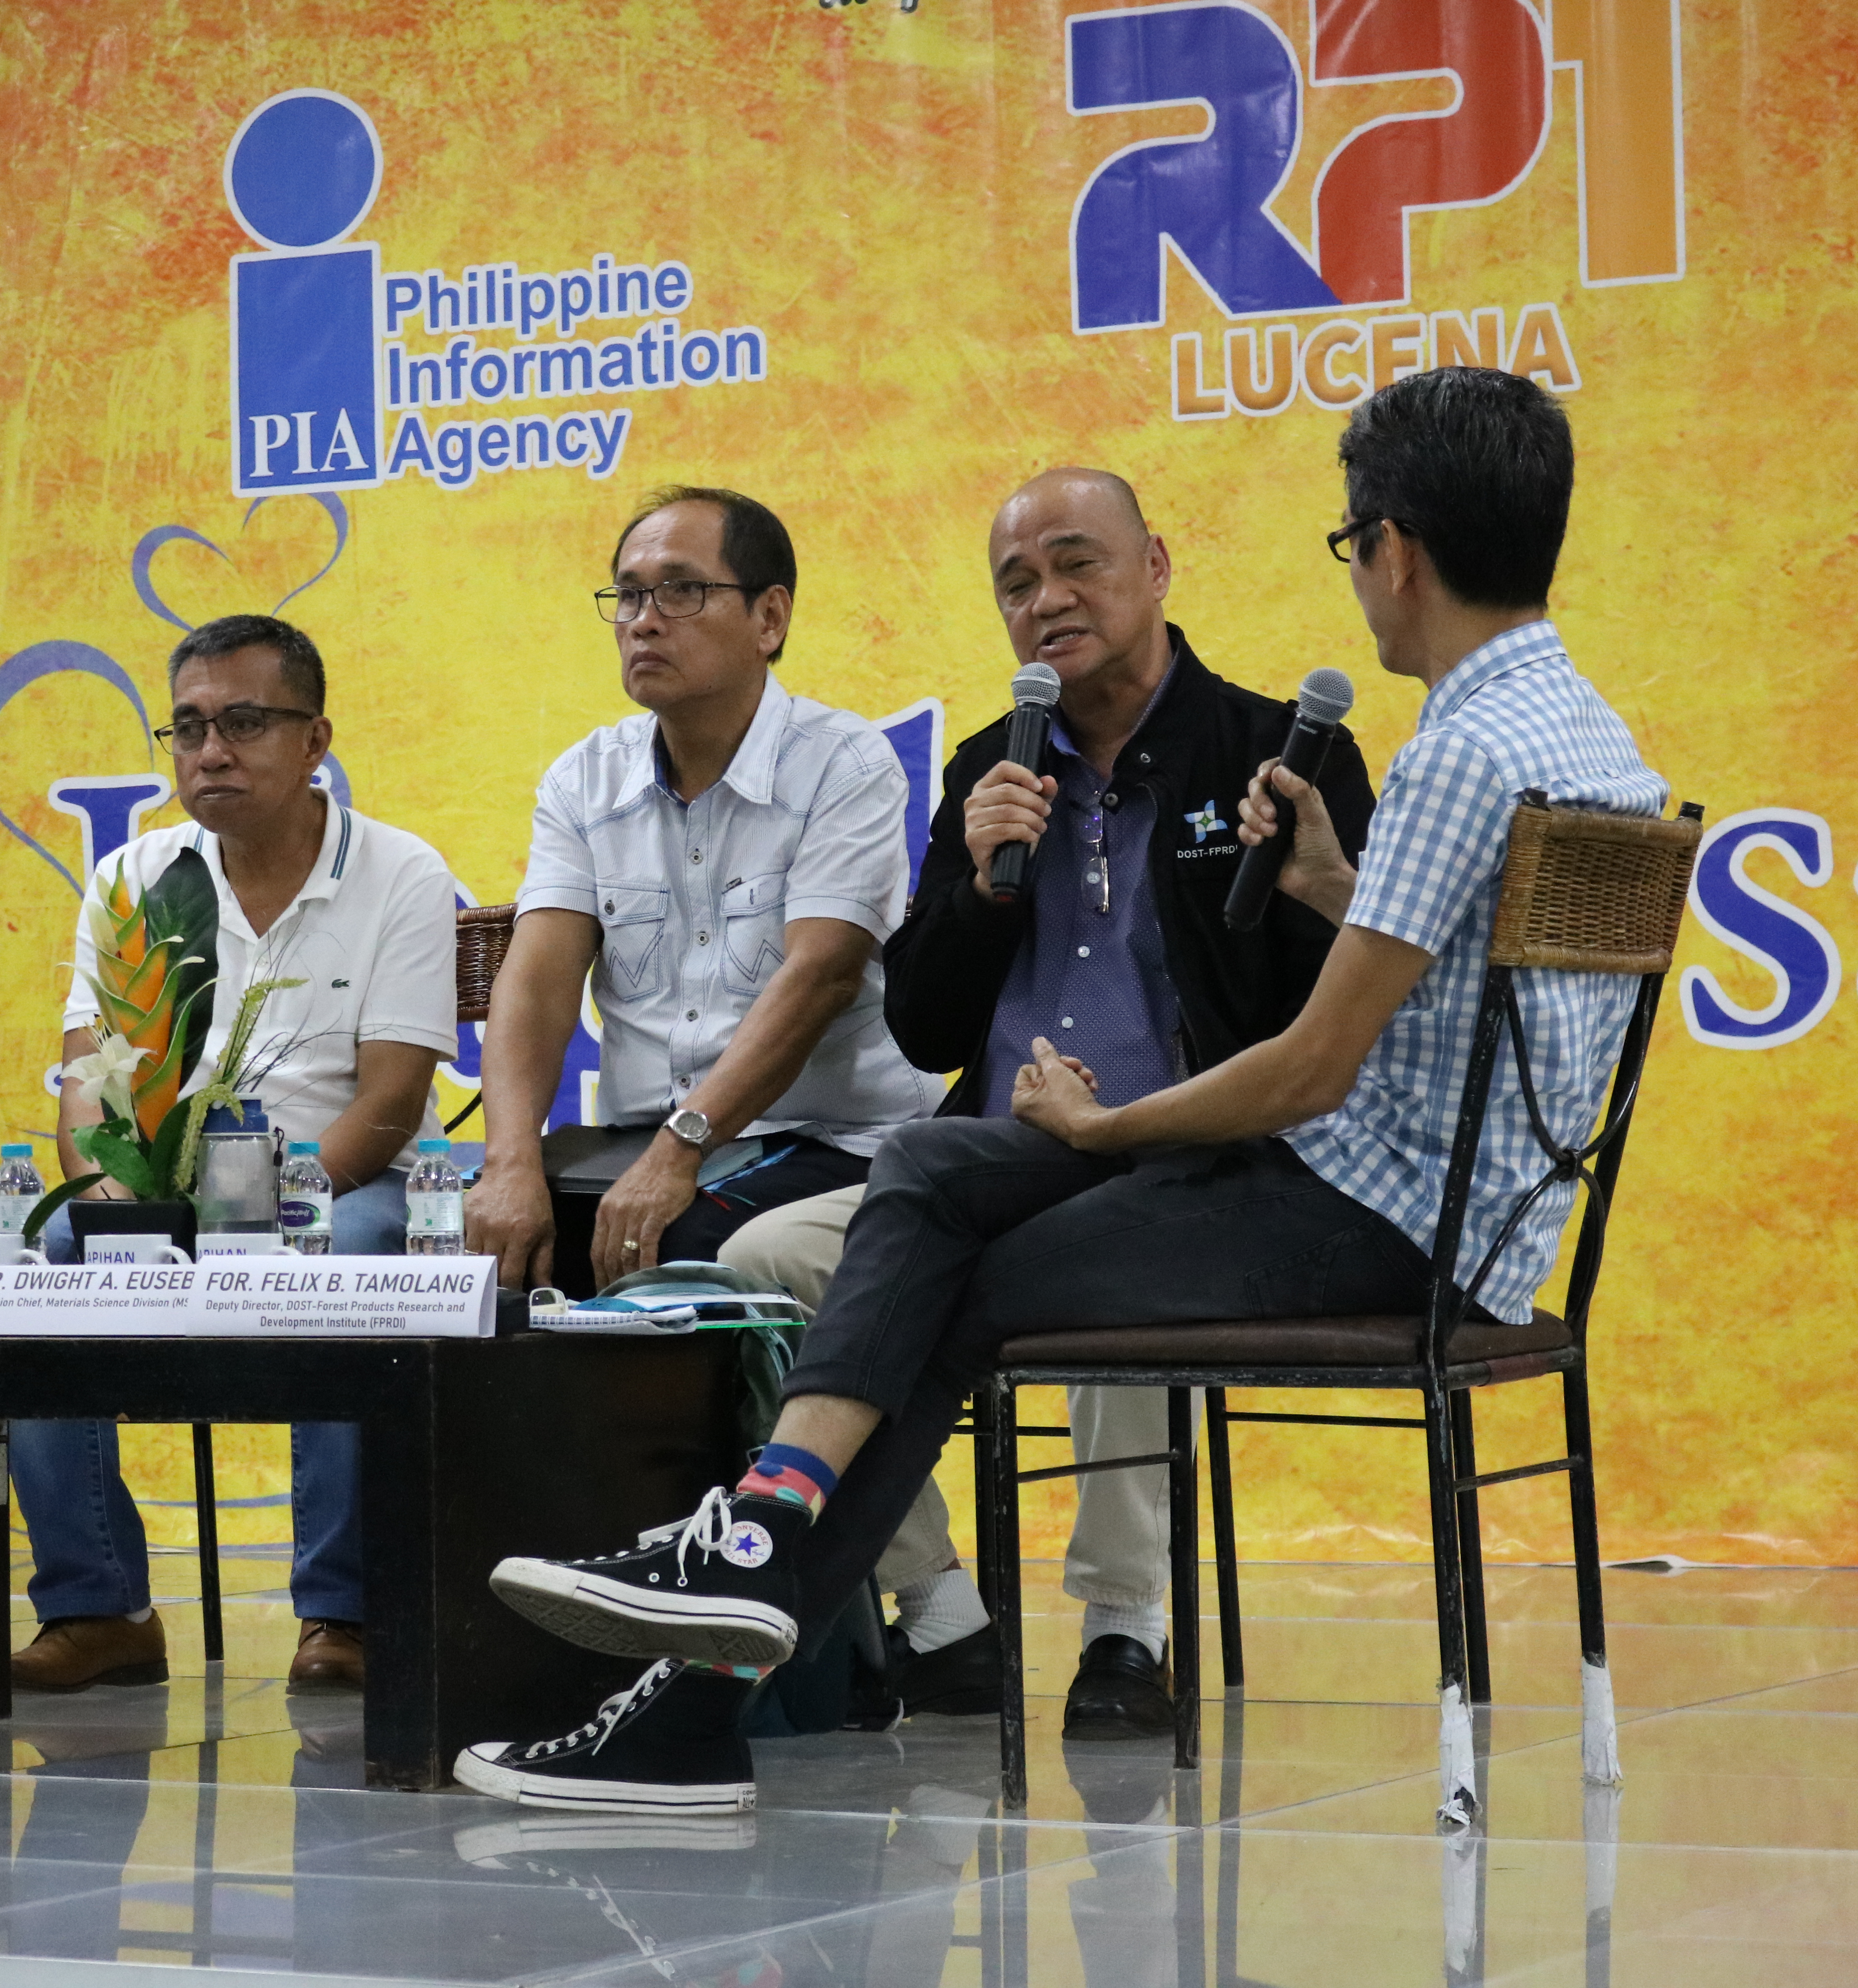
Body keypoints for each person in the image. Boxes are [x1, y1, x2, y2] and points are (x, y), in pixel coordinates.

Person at [455, 366, 1669, 1814]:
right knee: (930, 1176)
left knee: (961, 1271)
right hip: (1452, 1203)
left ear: (1395, 547)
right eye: (1012, 581)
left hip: (1376, 1213)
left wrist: (1102, 1128)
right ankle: (757, 1560)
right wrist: (1334, 885)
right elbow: (1448, 990)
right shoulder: (1589, 733)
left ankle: (716, 1665)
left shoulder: (1448, 752)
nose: (1362, 585)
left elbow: (1310, 1068)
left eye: (1353, 549)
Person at [717, 467, 1373, 1738]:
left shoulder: (1277, 753)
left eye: (1077, 564)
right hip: (993, 1157)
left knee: (1111, 1245)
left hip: (1194, 1157)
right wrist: (978, 885)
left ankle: (1126, 1625)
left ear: (1158, 566)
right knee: (767, 1258)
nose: (1047, 600)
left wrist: (1299, 885)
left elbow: (1341, 1005)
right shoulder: (987, 766)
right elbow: (922, 1026)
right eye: (1016, 582)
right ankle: (946, 1618)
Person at [9, 614, 459, 1696]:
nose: (211, 751)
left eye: (245, 722)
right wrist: (113, 1188)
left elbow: (392, 1097)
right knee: (37, 1269)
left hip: (345, 1182)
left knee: (344, 1267)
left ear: (316, 741)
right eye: (190, 727)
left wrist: (270, 1210)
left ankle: (341, 1609)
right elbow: (90, 1077)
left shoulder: (400, 870)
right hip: (165, 1186)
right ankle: (98, 1604)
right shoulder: (134, 873)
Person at [464, 484, 940, 1292]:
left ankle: (766, 1428)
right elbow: (539, 980)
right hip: (633, 1141)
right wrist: (508, 1167)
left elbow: (819, 978)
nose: (644, 619)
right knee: (480, 1255)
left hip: (829, 1142)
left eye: (683, 591)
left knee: (675, 1248)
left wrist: (680, 1151)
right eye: (629, 594)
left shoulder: (843, 764)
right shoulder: (585, 778)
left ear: (770, 619)